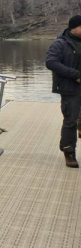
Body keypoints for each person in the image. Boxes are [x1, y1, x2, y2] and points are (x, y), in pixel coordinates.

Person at [45, 15, 81, 168]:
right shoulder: (60, 43)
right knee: (70, 120)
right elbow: (51, 62)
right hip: (70, 88)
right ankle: (69, 151)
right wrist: (76, 75)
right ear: (74, 27)